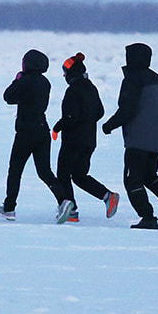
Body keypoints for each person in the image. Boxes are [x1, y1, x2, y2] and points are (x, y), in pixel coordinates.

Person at [102, 42, 158, 229]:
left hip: (138, 139)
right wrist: (153, 121)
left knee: (132, 180)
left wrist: (110, 125)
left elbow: (127, 109)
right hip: (156, 138)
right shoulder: (156, 78)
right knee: (149, 176)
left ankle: (148, 218)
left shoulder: (132, 79)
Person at [51, 52, 120, 224]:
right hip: (89, 141)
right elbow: (100, 112)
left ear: (71, 74)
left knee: (63, 174)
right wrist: (87, 123)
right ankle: (107, 196)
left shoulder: (73, 90)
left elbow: (71, 117)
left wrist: (57, 127)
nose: (64, 76)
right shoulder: (91, 87)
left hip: (73, 141)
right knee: (80, 175)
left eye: (65, 73)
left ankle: (71, 211)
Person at [0, 49, 63, 221]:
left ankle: (9, 207)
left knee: (15, 169)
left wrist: (17, 79)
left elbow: (8, 97)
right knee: (45, 171)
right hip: (42, 130)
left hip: (26, 132)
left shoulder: (24, 81)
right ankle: (64, 200)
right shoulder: (45, 82)